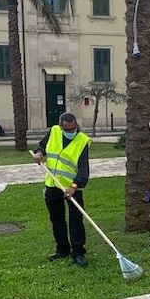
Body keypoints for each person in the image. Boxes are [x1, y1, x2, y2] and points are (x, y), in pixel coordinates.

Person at [32, 112, 91, 268]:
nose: (71, 132)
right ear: (61, 126)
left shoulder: (82, 141)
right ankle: (62, 249)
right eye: (67, 129)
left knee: (76, 220)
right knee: (57, 219)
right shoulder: (54, 132)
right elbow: (41, 146)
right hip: (52, 185)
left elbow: (84, 171)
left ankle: (78, 252)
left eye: (73, 129)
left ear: (76, 125)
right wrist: (39, 153)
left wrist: (73, 186)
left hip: (72, 187)